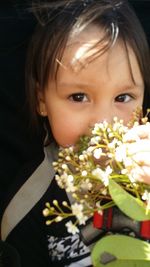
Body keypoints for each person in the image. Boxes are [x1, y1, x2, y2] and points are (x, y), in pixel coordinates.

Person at [1, 0, 150, 266]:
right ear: (42, 101)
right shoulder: (30, 204)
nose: (103, 122)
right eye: (78, 96)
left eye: (123, 97)